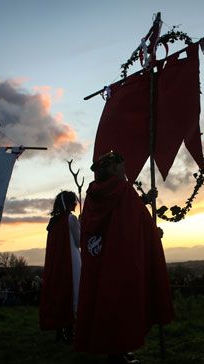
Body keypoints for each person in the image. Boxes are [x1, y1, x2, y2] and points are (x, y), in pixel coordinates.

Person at [75, 151, 174, 364]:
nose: (125, 171)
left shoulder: (92, 193)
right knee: (121, 303)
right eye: (122, 167)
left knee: (104, 300)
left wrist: (144, 200)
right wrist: (151, 235)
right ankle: (118, 351)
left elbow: (118, 216)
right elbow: (131, 223)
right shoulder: (123, 189)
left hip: (99, 259)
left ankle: (114, 350)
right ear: (114, 169)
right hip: (120, 260)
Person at [39, 190, 81, 343]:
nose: (76, 204)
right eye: (74, 201)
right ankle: (70, 332)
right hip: (72, 262)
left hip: (57, 264)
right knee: (72, 294)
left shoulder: (53, 223)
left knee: (59, 294)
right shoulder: (71, 219)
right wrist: (82, 224)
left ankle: (59, 333)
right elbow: (79, 241)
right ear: (69, 203)